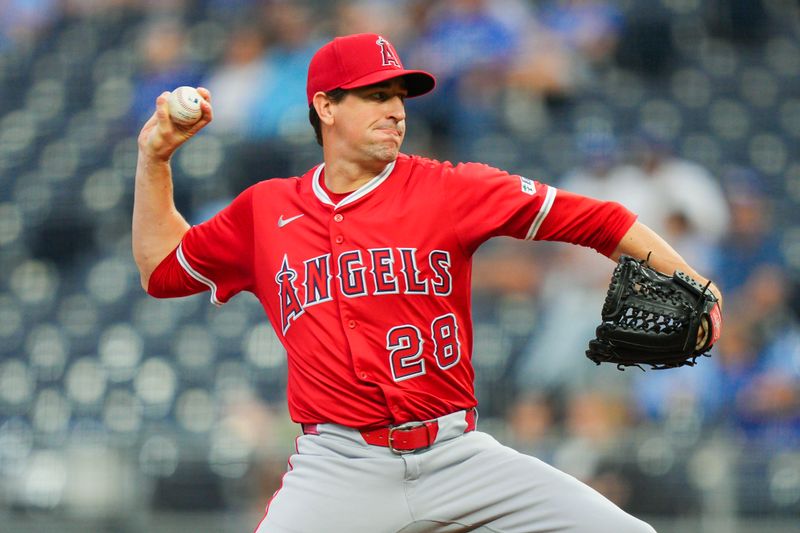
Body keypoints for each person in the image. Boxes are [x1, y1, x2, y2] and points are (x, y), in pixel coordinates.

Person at [133, 32, 722, 533]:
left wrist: (697, 283)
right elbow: (162, 271)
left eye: (400, 96)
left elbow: (600, 220)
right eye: (376, 95)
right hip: (338, 466)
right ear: (326, 106)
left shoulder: (449, 188)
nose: (396, 109)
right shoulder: (266, 211)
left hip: (456, 454)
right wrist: (154, 162)